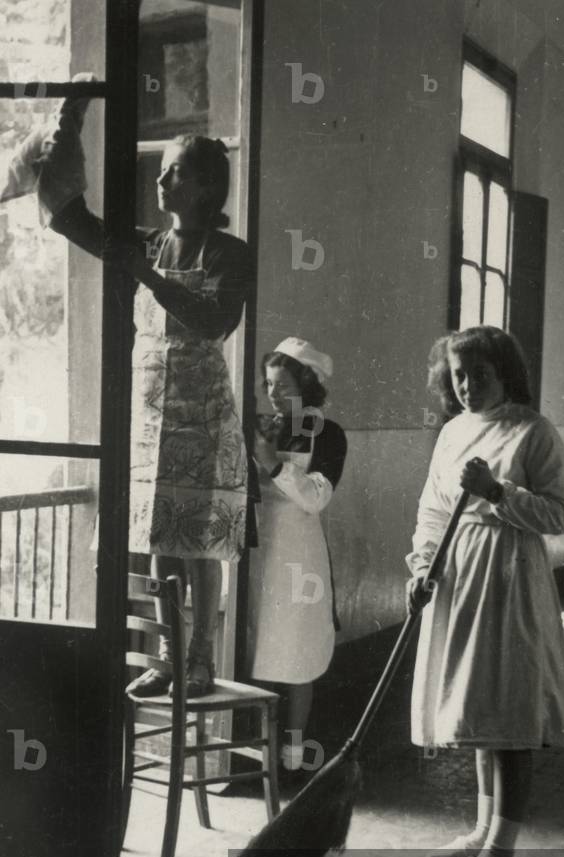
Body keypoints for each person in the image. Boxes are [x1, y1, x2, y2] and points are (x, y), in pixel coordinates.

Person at [46, 107, 256, 696]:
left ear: (207, 187)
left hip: (204, 421)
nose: (162, 180)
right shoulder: (149, 241)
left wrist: (149, 276)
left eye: (176, 171)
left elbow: (213, 322)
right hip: (151, 417)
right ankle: (168, 655)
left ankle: (201, 658)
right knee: (161, 539)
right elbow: (72, 220)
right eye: (163, 170)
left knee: (201, 543)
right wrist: (68, 129)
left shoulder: (230, 252)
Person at [406, 325, 564, 857]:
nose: (467, 385)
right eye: (458, 375)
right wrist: (422, 568)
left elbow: (559, 515)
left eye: (480, 374)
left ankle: (501, 854)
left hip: (509, 578)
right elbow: (433, 511)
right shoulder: (453, 431)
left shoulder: (533, 431)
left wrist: (497, 492)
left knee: (508, 714)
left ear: (505, 374)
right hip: (459, 577)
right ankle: (482, 831)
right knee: (478, 709)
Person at [249, 338, 347, 771]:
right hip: (259, 548)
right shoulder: (262, 427)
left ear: (306, 385)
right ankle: (261, 751)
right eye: (269, 384)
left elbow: (317, 498)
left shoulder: (328, 434)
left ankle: (292, 755)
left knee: (297, 650)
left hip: (299, 556)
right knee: (260, 647)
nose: (273, 394)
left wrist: (273, 465)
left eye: (283, 386)